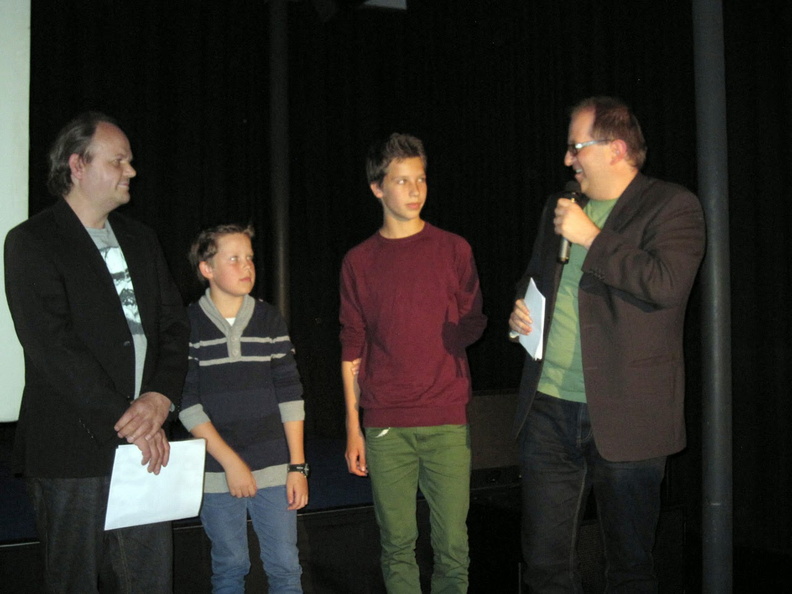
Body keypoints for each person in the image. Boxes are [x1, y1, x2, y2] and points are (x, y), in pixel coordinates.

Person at [509, 96, 706, 592]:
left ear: (616, 149)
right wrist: (520, 313)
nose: (567, 160)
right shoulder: (562, 207)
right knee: (544, 567)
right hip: (548, 408)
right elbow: (535, 277)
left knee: (629, 568)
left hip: (627, 414)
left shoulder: (672, 206)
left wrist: (593, 238)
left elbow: (665, 284)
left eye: (576, 147)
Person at [4, 112, 190, 592]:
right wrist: (130, 420)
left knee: (149, 583)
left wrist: (160, 398)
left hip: (146, 443)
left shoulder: (141, 239)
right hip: (73, 451)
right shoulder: (31, 242)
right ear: (78, 166)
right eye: (118, 161)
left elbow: (174, 327)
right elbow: (53, 348)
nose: (131, 171)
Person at [339, 133, 487, 593]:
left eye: (420, 179)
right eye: (402, 181)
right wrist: (353, 428)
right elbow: (351, 349)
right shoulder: (359, 261)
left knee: (453, 546)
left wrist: (457, 331)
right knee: (397, 545)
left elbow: (474, 318)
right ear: (377, 188)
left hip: (446, 420)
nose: (415, 190)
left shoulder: (454, 249)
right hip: (387, 423)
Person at [180, 224, 308, 593]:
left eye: (249, 257)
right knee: (230, 565)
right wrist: (232, 463)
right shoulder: (188, 324)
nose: (247, 266)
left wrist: (297, 467)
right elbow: (186, 403)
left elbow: (290, 393)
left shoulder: (269, 319)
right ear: (207, 268)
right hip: (217, 471)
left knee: (285, 567)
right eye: (234, 258)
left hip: (274, 467)